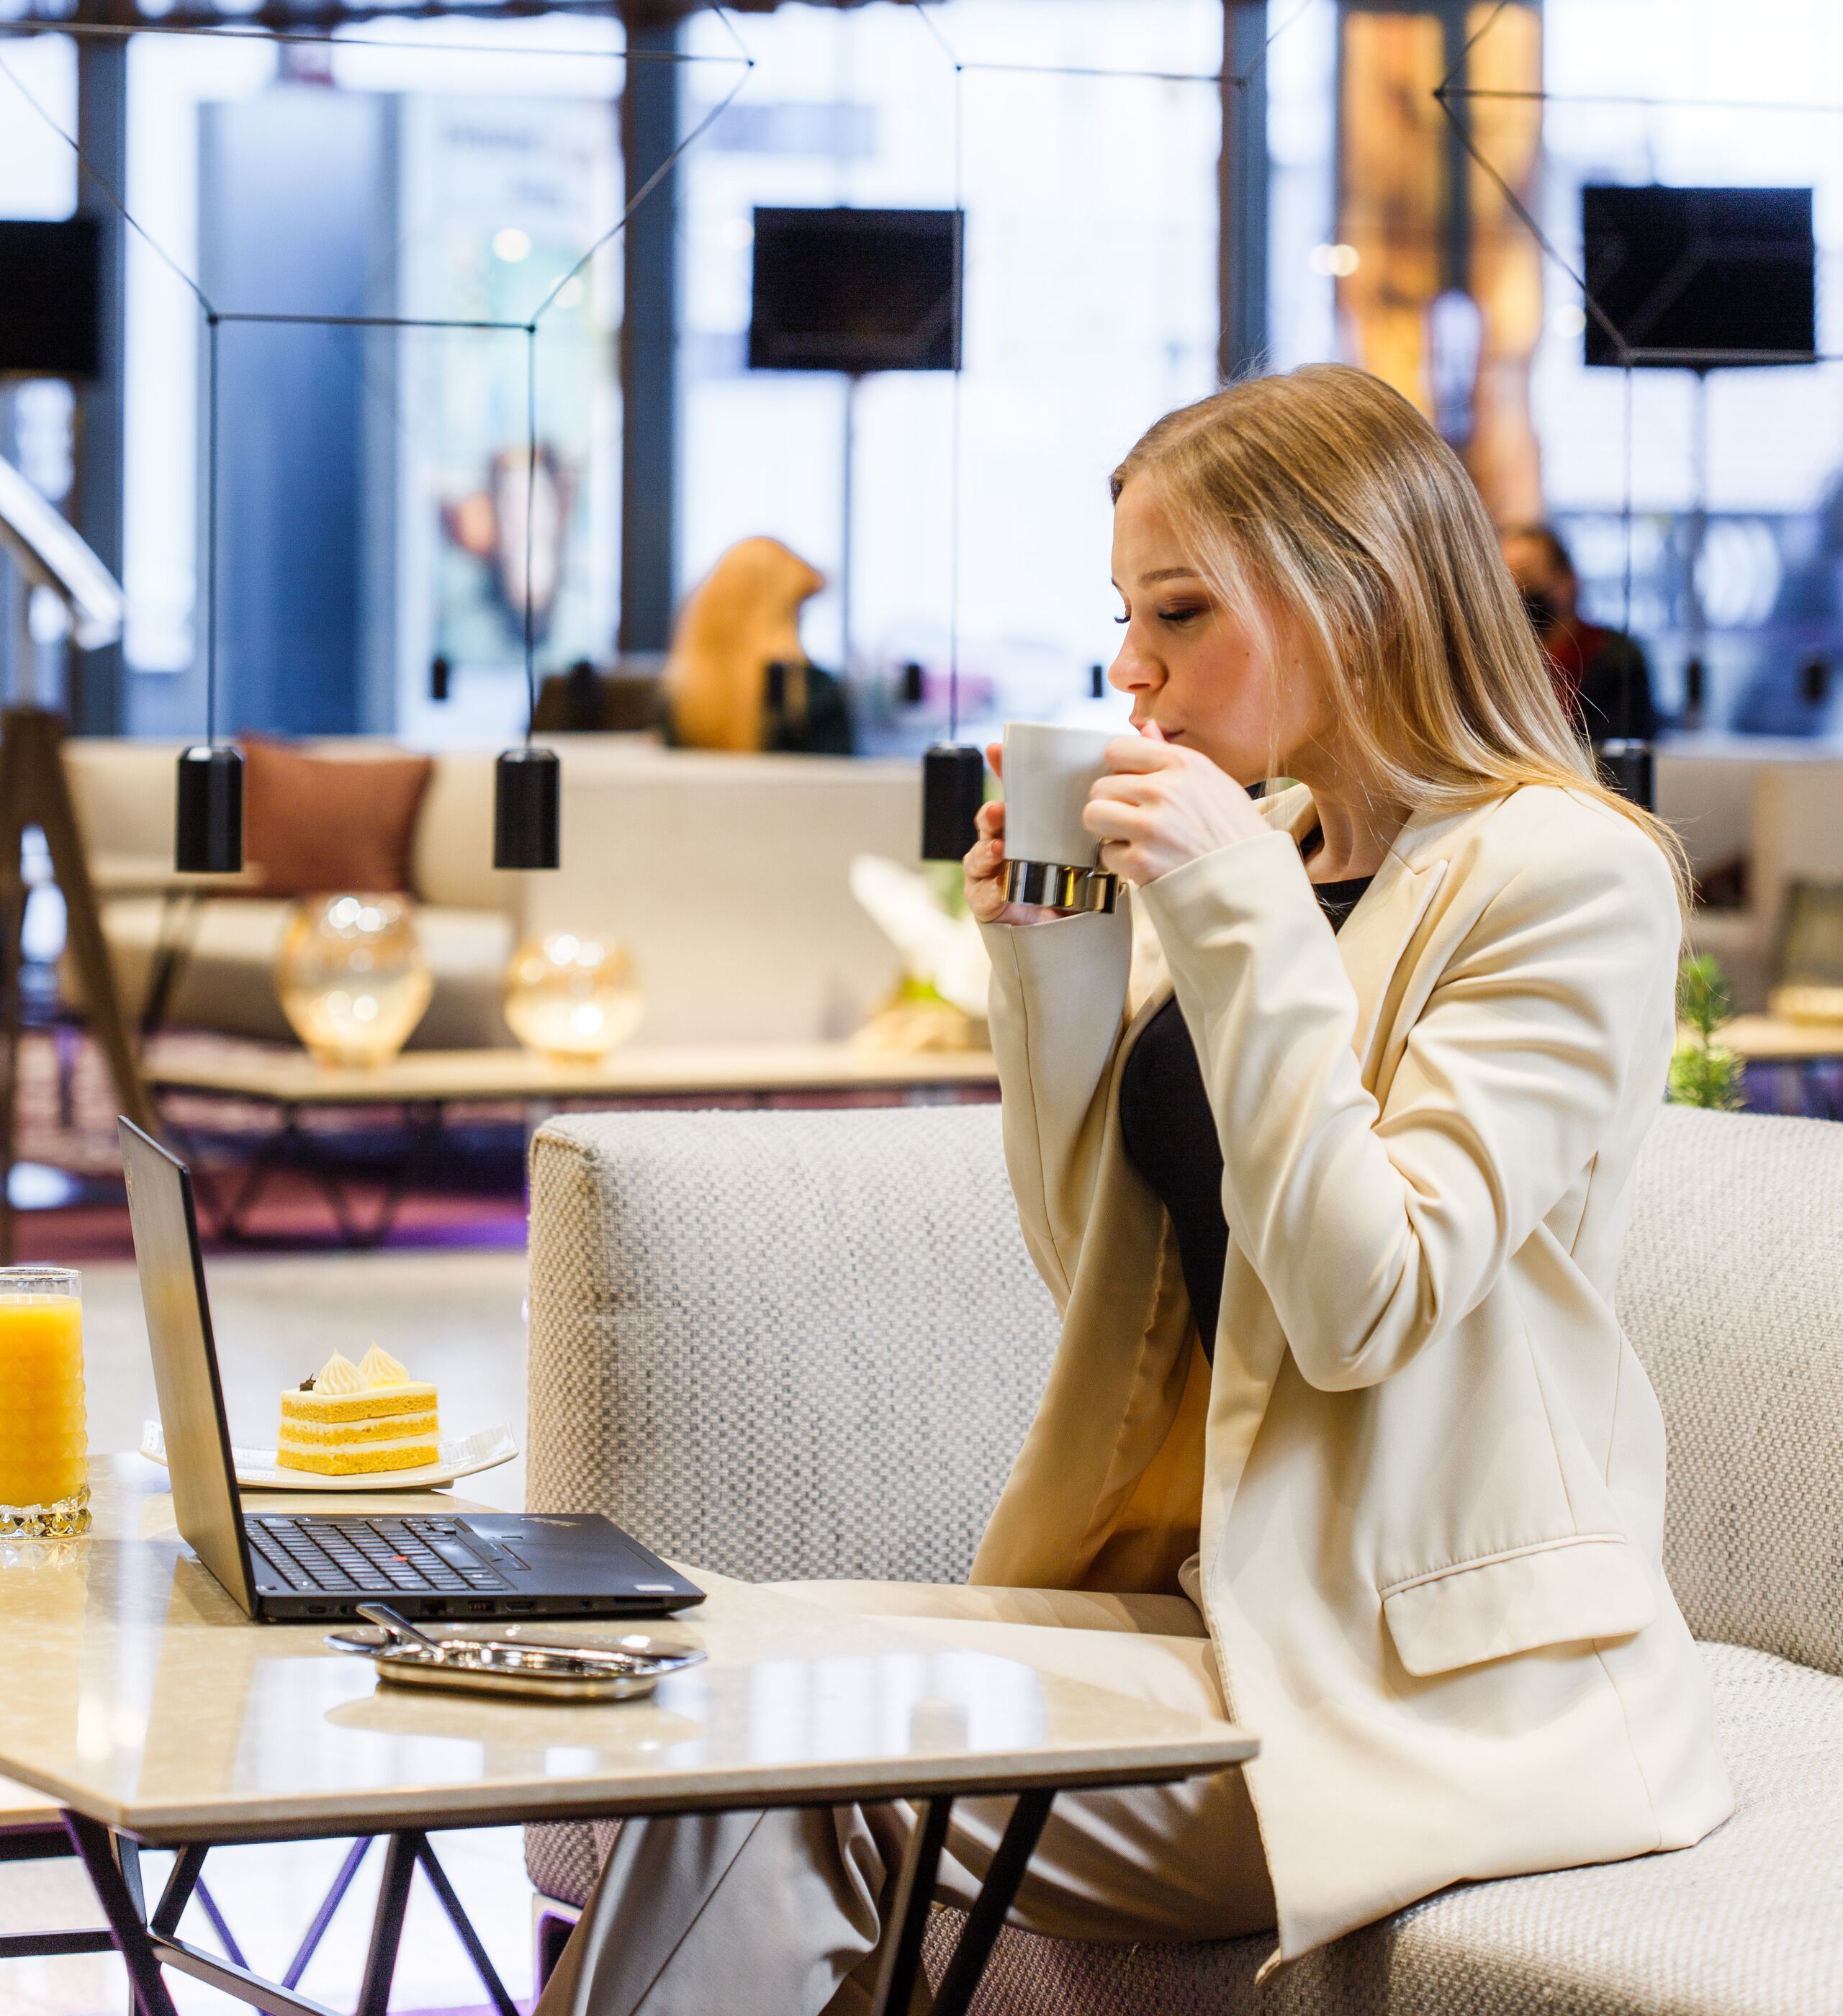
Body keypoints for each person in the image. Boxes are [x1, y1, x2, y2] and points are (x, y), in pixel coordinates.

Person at [540, 365, 1729, 2016]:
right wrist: (1052, 963)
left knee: (787, 1754)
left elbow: (1360, 1298)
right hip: (1198, 1608)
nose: (1128, 665)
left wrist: (1229, 895)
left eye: (1179, 607)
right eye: (1121, 609)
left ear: (1362, 595)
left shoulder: (1560, 873)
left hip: (1421, 1687)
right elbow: (1096, 1268)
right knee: (706, 1653)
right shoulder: (1287, 853)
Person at [1500, 521, 1657, 747]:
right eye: (1506, 583)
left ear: (1568, 580)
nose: (1518, 593)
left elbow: (1616, 752)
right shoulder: (1496, 658)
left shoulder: (1614, 657)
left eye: (1528, 579)